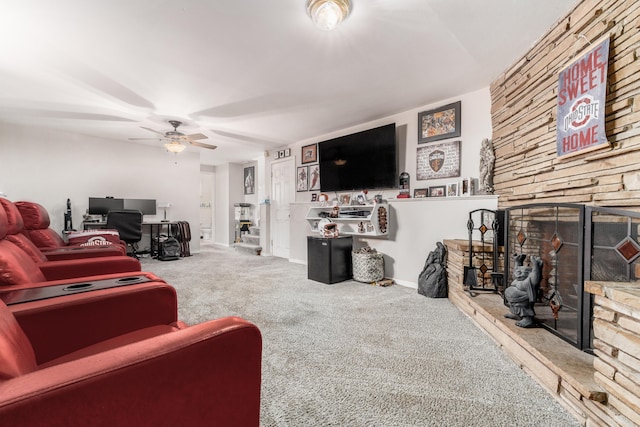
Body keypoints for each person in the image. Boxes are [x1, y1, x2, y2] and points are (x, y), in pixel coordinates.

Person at [504, 254, 543, 328]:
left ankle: (528, 319)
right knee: (515, 305)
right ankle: (517, 314)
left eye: (523, 272)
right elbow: (516, 271)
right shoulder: (517, 280)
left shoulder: (528, 281)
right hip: (514, 299)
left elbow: (535, 278)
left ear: (529, 274)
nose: (519, 273)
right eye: (518, 272)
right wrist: (517, 261)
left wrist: (535, 265)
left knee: (522, 305)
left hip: (524, 298)